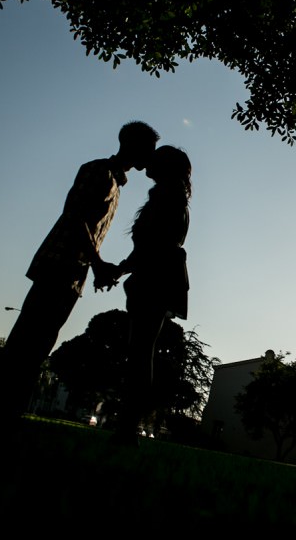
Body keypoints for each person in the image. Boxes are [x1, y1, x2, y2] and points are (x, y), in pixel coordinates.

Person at [0, 121, 160, 420]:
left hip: (74, 271)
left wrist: (96, 266)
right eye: (149, 148)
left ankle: (8, 408)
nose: (151, 155)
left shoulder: (117, 184)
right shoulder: (98, 171)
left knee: (41, 341)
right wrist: (97, 263)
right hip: (60, 264)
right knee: (28, 338)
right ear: (133, 146)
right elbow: (75, 216)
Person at [109, 145, 191, 444]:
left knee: (140, 352)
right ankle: (128, 427)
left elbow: (150, 246)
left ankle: (128, 428)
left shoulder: (165, 198)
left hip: (154, 278)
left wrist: (120, 269)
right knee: (142, 351)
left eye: (155, 162)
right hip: (161, 277)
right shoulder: (174, 199)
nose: (147, 166)